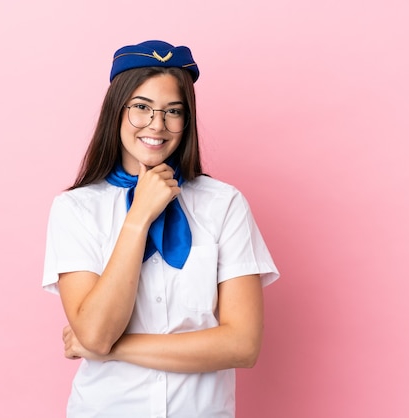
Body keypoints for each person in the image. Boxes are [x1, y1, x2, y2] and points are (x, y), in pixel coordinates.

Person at [42, 40, 279, 418]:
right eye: (141, 108)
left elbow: (242, 345)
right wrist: (139, 217)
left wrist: (113, 348)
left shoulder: (224, 204)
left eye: (173, 111)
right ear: (115, 111)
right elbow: (96, 332)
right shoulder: (75, 209)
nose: (157, 125)